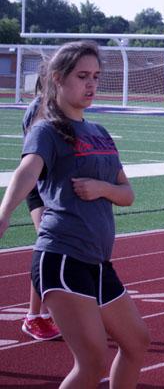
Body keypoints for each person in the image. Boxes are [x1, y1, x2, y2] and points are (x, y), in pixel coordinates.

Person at [0, 41, 150, 388]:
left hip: (97, 261)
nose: (91, 84)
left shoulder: (99, 133)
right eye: (82, 76)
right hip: (62, 255)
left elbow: (126, 194)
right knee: (93, 360)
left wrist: (102, 189)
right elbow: (27, 171)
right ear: (57, 79)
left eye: (96, 76)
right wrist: (5, 212)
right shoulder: (47, 130)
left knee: (137, 342)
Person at [20, 76, 62, 341]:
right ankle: (34, 314)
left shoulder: (56, 106)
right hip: (39, 185)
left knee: (54, 246)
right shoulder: (40, 108)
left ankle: (45, 313)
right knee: (48, 244)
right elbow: (36, 150)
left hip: (53, 184)